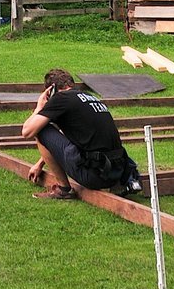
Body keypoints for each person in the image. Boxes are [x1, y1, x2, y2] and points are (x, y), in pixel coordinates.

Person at [22, 68, 141, 201]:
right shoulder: (90, 97)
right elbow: (64, 138)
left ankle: (64, 190)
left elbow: (27, 131)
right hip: (117, 172)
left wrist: (39, 107)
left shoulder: (61, 98)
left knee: (41, 129)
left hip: (95, 176)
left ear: (51, 90)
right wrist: (40, 164)